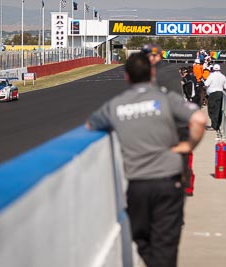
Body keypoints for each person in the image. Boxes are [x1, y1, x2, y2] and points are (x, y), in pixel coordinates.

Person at [86, 52, 207, 267]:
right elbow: (198, 118)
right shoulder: (165, 98)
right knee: (166, 243)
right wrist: (187, 146)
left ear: (126, 76)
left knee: (140, 236)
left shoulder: (115, 105)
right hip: (169, 181)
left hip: (138, 184)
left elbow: (90, 125)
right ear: (152, 73)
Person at [204, 64, 226, 134]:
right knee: (218, 109)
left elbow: (206, 84)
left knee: (212, 109)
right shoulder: (223, 76)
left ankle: (214, 126)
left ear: (213, 69)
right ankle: (217, 125)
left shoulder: (211, 76)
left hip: (213, 94)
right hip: (220, 93)